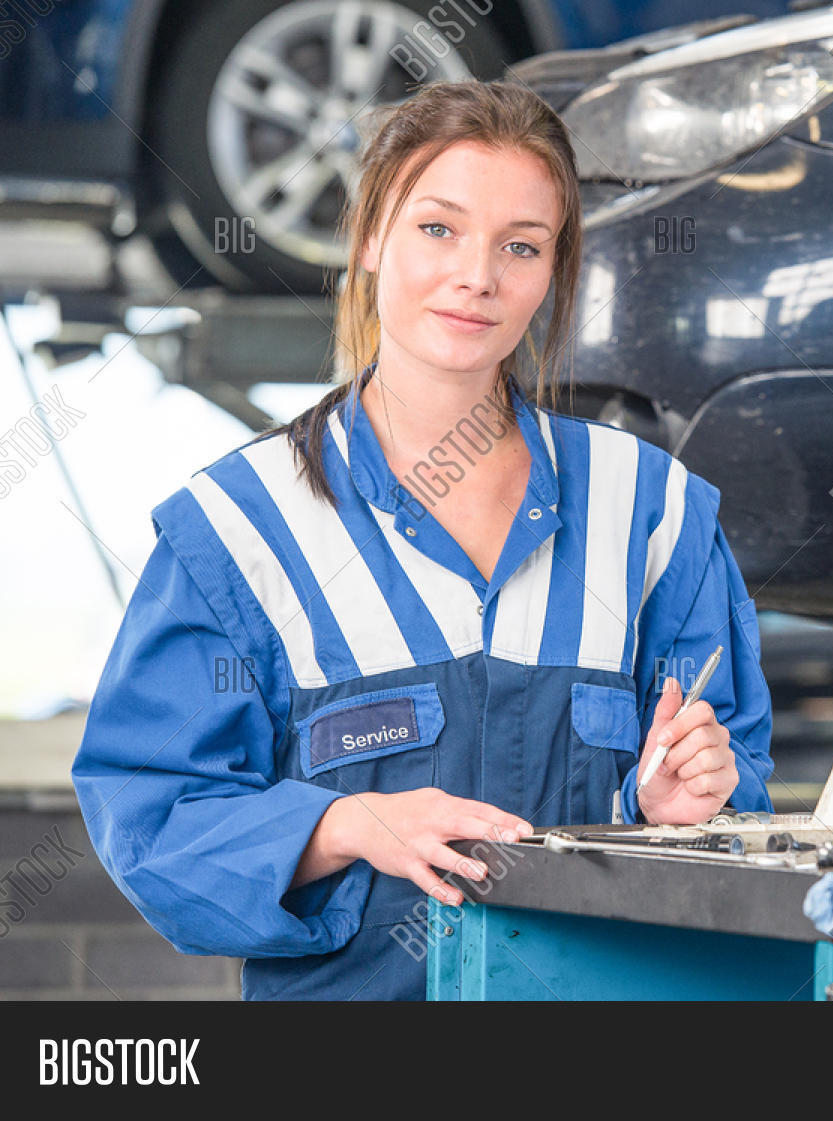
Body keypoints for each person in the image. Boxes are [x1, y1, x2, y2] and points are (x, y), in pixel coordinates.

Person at [71, 80, 775, 1000]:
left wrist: (678, 812)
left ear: (554, 270)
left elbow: (741, 806)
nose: (478, 275)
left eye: (521, 245)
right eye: (438, 228)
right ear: (371, 236)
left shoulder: (653, 515)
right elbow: (154, 818)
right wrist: (347, 824)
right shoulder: (241, 529)